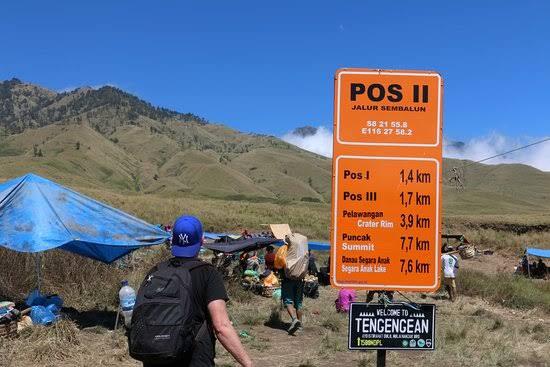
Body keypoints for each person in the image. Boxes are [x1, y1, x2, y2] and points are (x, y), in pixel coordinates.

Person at [143, 215, 252, 367]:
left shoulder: (155, 271)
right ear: (201, 241)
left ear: (173, 241)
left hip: (156, 356)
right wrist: (248, 363)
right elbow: (221, 326)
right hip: (194, 358)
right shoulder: (208, 274)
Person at [279, 237, 306, 335]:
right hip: (299, 280)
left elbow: (278, 264)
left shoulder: (284, 250)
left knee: (288, 301)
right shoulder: (301, 250)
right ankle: (300, 325)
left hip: (288, 280)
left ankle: (294, 320)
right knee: (298, 303)